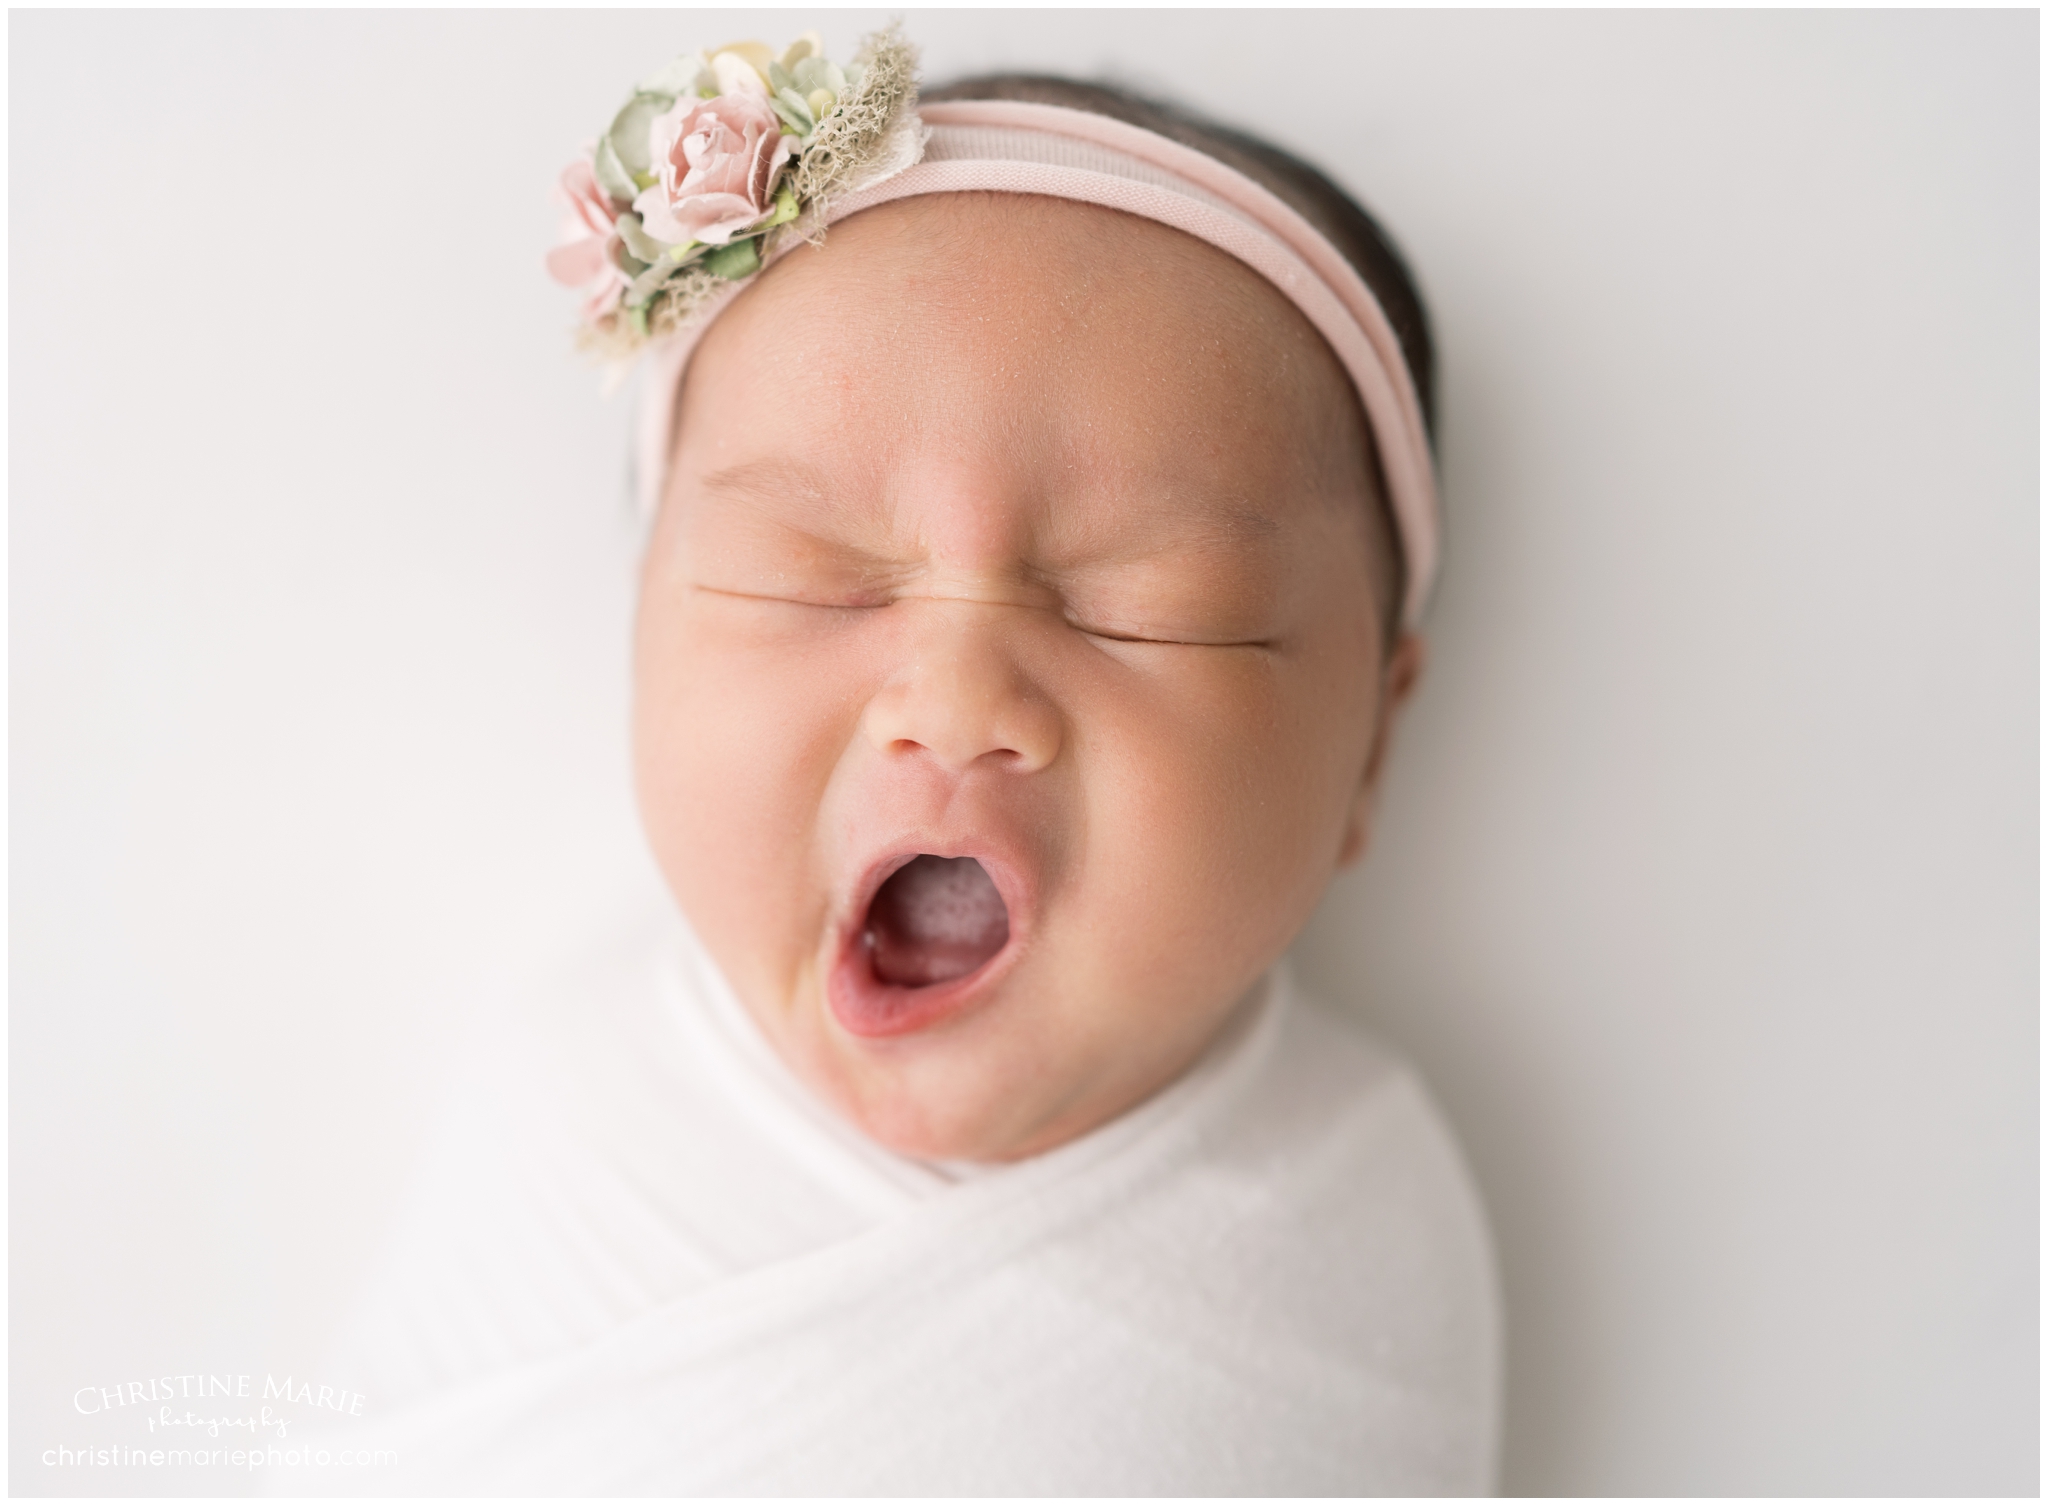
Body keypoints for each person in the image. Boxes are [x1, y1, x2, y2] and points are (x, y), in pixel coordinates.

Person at [286, 26, 1499, 1495]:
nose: (955, 691)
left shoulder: (1357, 1229)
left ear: (1373, 739)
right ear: (639, 631)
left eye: (1155, 608)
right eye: (806, 573)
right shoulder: (566, 1110)